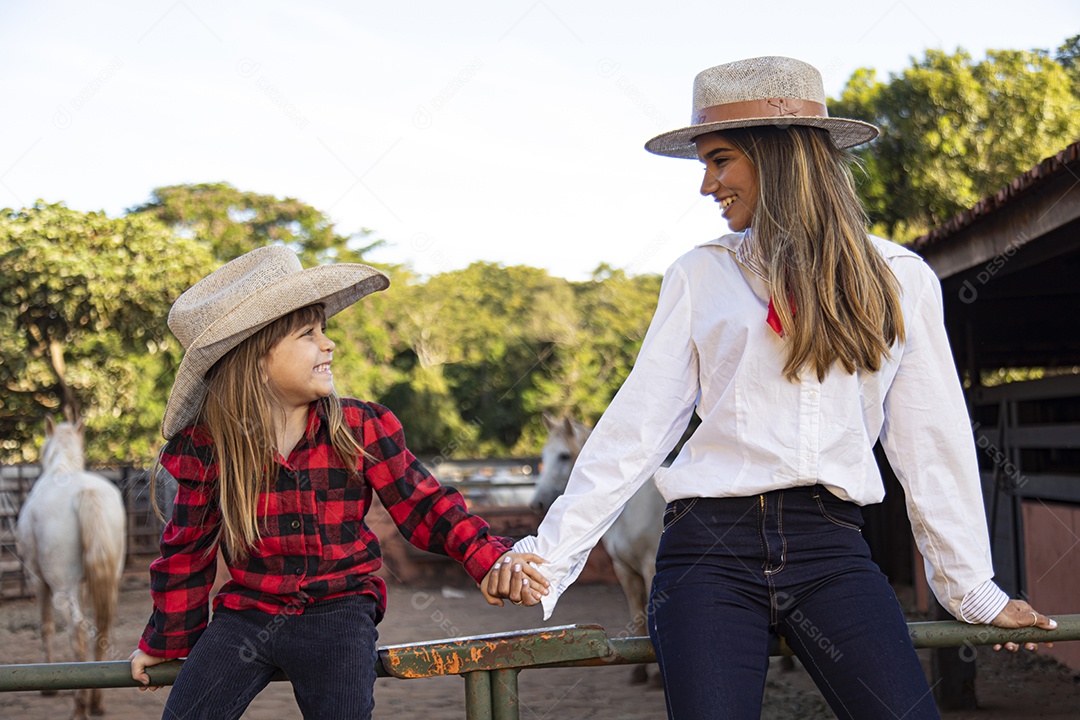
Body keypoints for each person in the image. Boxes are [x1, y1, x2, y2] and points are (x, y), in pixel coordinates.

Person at [512, 56, 1056, 719]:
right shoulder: (699, 276)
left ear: (778, 156)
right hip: (709, 549)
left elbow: (931, 438)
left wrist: (974, 587)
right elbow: (637, 429)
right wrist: (548, 556)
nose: (707, 185)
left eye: (720, 160)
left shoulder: (899, 277)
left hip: (830, 545)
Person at [128, 245, 547, 720]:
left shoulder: (359, 427)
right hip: (247, 613)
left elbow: (425, 505)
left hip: (338, 611)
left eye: (323, 330)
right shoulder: (212, 449)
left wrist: (487, 555)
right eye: (309, 334)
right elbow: (186, 551)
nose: (329, 344)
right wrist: (167, 641)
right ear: (256, 359)